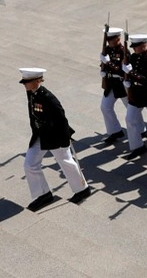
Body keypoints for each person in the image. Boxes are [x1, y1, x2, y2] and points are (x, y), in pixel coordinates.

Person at [20, 68, 91, 211]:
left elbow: (62, 119)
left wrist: (65, 139)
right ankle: (43, 194)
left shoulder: (48, 98)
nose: (25, 85)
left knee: (65, 161)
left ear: (37, 81)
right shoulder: (31, 93)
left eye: (27, 82)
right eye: (24, 82)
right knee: (30, 164)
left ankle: (82, 189)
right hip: (40, 135)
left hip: (55, 136)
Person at [122, 34, 147, 159]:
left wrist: (131, 73)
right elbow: (128, 72)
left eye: (136, 47)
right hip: (135, 93)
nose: (134, 49)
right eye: (133, 47)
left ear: (144, 45)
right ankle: (137, 146)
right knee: (130, 120)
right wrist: (126, 79)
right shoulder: (133, 57)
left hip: (146, 94)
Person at [99, 27, 128, 144]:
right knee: (105, 107)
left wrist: (108, 63)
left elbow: (122, 71)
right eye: (108, 39)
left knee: (131, 109)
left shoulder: (123, 51)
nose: (109, 41)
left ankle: (141, 131)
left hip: (121, 83)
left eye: (111, 39)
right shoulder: (107, 49)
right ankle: (115, 131)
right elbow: (104, 64)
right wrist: (103, 69)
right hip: (111, 83)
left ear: (118, 38)